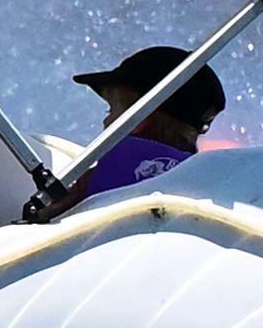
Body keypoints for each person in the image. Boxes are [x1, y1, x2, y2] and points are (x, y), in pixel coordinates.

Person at [58, 44, 224, 208]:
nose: (105, 122)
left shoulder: (110, 173)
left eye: (110, 110)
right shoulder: (202, 183)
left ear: (137, 120)